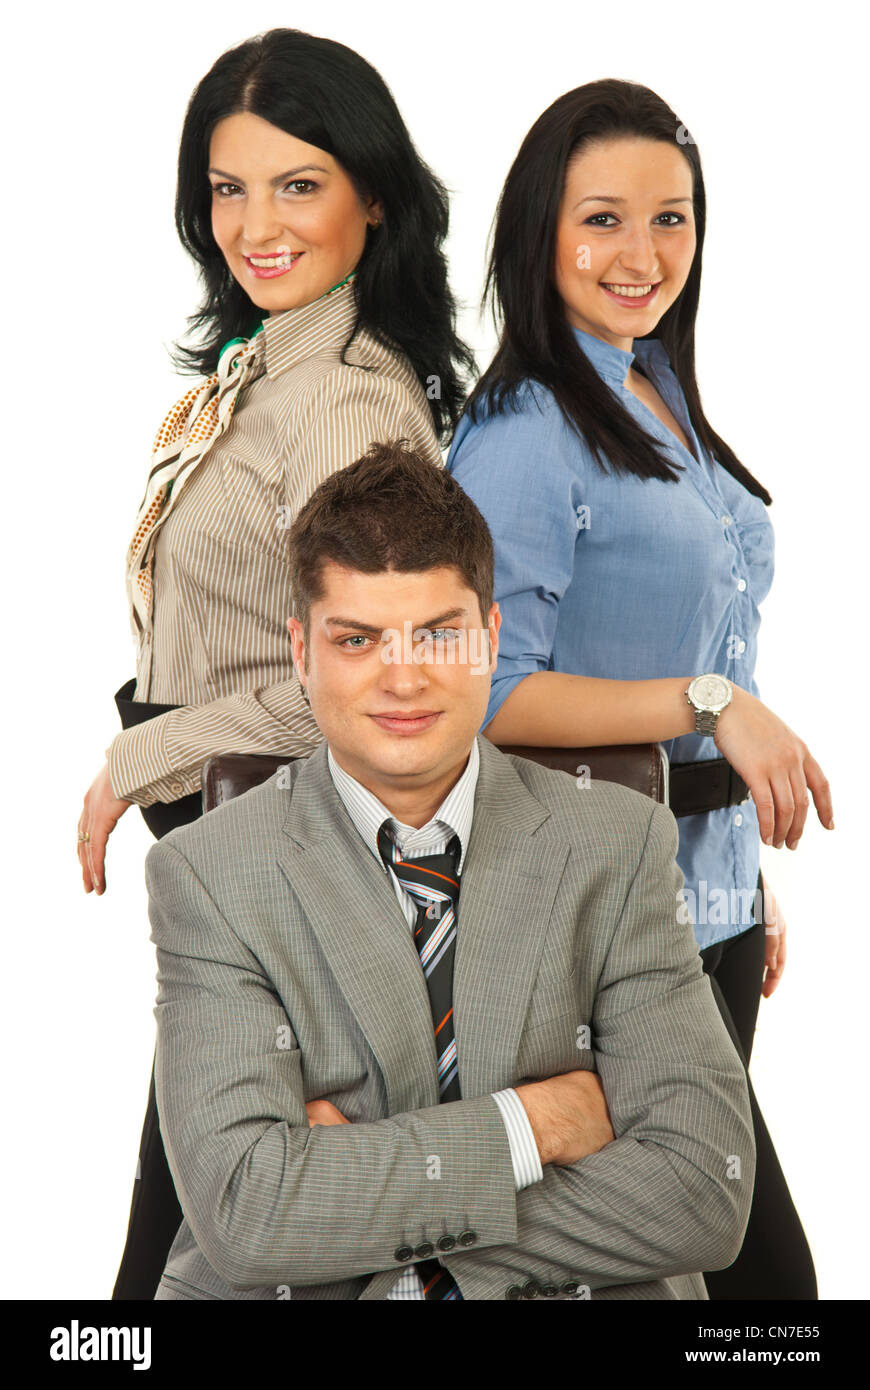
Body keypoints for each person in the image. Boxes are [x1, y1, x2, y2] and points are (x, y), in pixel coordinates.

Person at [146, 442, 754, 1301]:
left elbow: (702, 1191)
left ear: (491, 637)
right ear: (300, 652)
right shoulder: (206, 875)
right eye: (357, 639)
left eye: (438, 635)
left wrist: (354, 1198)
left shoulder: (619, 846)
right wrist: (526, 1129)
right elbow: (249, 1213)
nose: (404, 678)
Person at [75, 27, 474, 1300]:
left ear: (373, 193)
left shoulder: (346, 400)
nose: (256, 223)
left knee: (186, 1253)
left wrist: (149, 748)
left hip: (288, 862)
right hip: (238, 856)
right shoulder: (264, 368)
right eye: (227, 188)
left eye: (296, 184)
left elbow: (370, 684)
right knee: (204, 1234)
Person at [446, 78, 830, 1299]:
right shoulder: (523, 428)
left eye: (674, 219)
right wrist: (712, 702)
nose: (643, 252)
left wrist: (742, 871)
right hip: (597, 909)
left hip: (700, 893)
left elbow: (707, 634)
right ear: (539, 230)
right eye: (603, 218)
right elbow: (492, 697)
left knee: (697, 1271)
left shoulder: (653, 380)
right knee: (755, 1275)